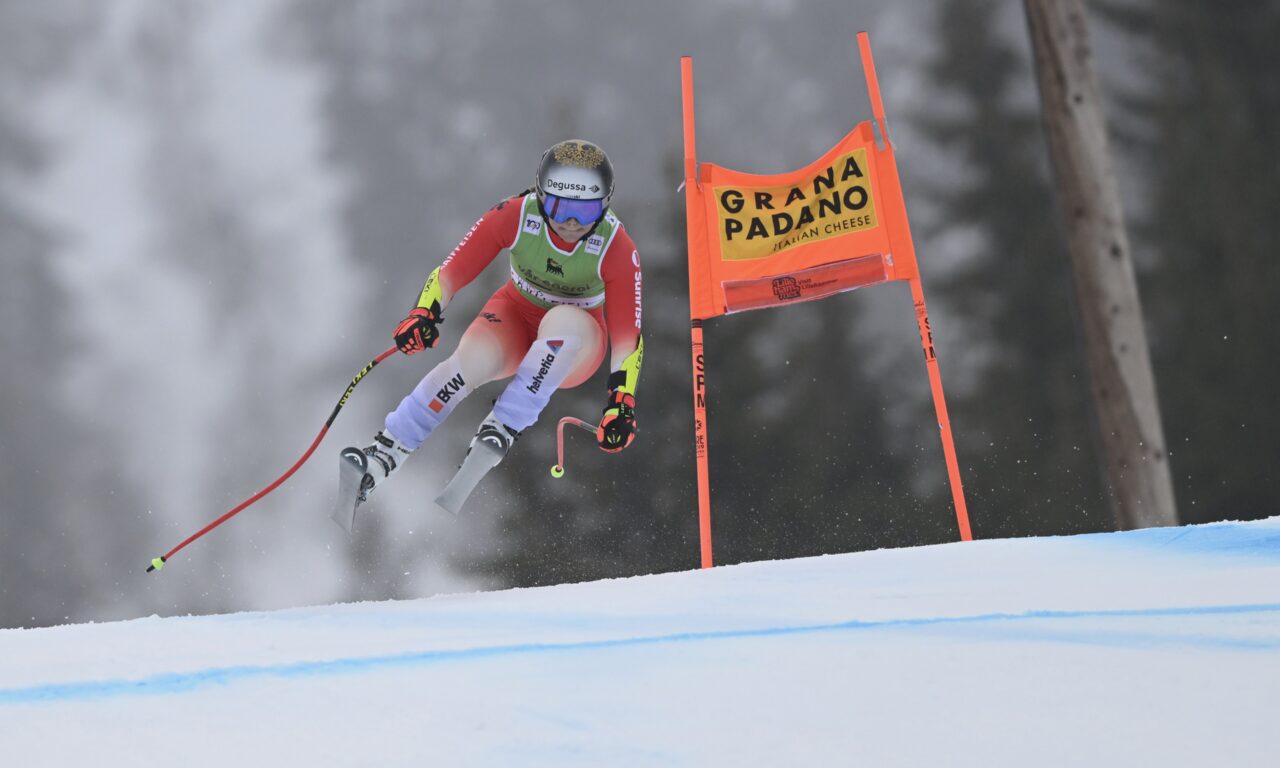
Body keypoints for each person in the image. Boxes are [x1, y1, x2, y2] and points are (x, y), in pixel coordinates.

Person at [335, 139, 643, 522]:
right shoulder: (515, 215)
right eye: (559, 206)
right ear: (540, 195)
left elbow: (628, 335)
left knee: (562, 325)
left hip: (578, 339)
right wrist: (423, 313)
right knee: (468, 363)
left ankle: (504, 425)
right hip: (515, 314)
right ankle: (384, 453)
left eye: (586, 211)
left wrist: (621, 401)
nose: (571, 223)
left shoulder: (615, 246)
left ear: (605, 205)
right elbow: (450, 272)